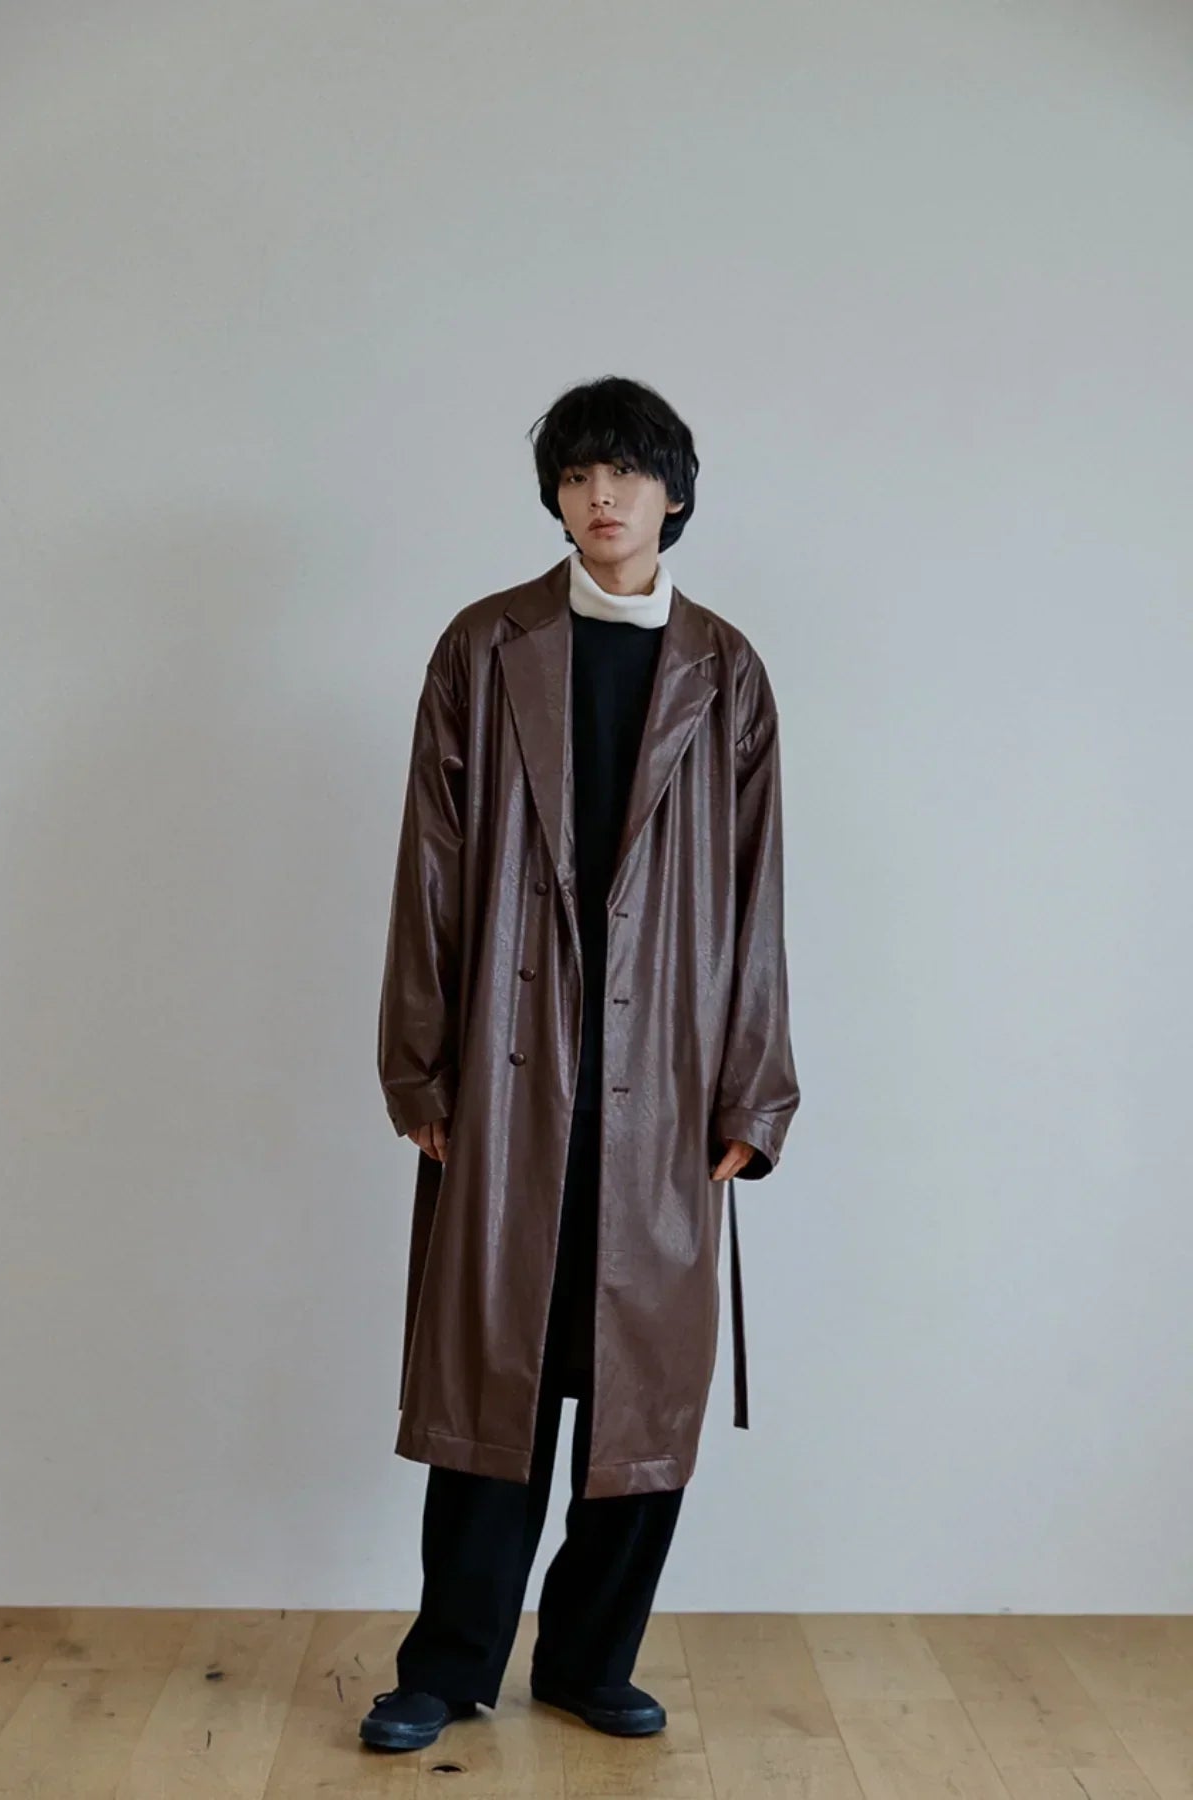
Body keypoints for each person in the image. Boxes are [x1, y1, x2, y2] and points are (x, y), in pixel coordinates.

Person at [361, 375, 800, 1754]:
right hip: (507, 1065)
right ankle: (446, 1666)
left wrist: (753, 1090)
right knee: (497, 1385)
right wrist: (421, 1071)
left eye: (623, 474)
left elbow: (754, 892)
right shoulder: (487, 649)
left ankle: (589, 1658)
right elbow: (432, 865)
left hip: (666, 1078)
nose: (598, 497)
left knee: (638, 1391)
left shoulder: (726, 672)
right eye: (574, 477)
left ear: (674, 492)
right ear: (554, 498)